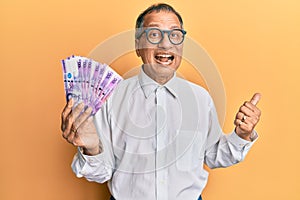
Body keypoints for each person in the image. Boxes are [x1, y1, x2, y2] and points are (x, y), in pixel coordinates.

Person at [61, 3, 261, 200]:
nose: (166, 44)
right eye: (154, 34)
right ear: (138, 45)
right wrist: (91, 148)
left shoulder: (201, 99)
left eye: (174, 35)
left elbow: (214, 154)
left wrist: (242, 135)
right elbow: (101, 172)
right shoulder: (110, 98)